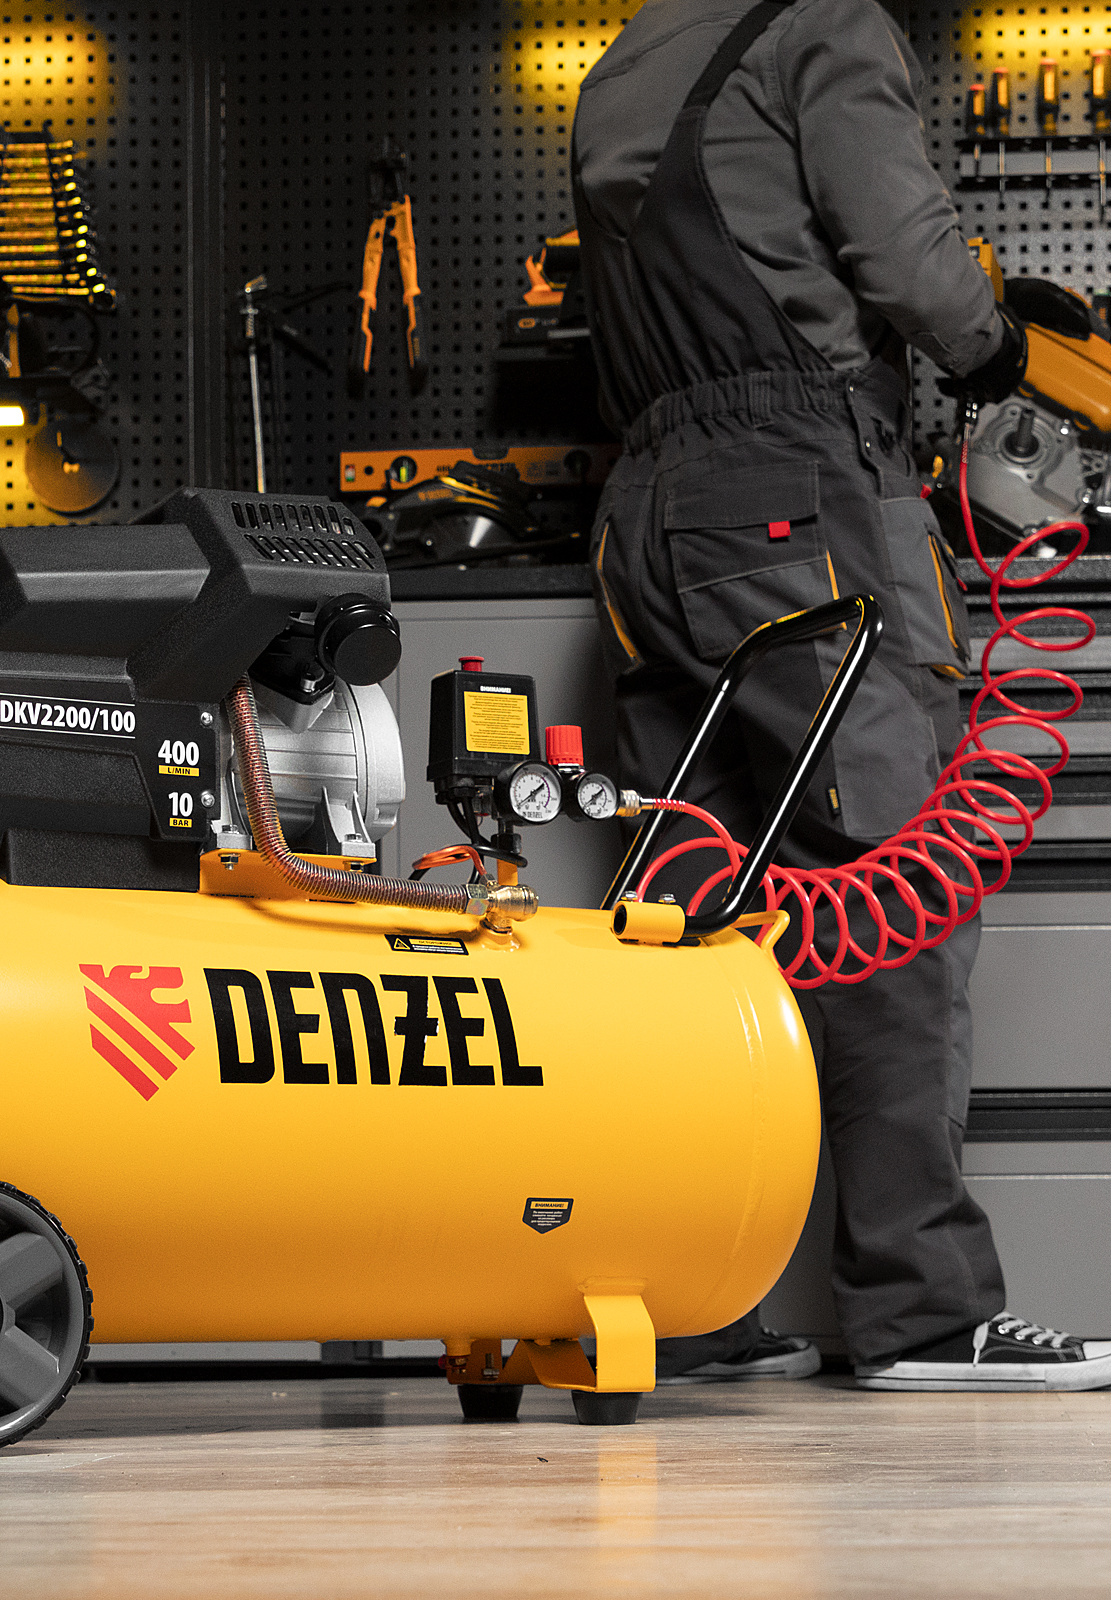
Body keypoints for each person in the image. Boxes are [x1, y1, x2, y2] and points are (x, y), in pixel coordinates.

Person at [571, 0, 1111, 1391]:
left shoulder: (625, 58)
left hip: (643, 514)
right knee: (892, 881)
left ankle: (686, 1300)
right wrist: (1000, 353)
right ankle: (922, 1313)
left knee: (691, 907)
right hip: (796, 495)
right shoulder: (823, 26)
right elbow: (910, 263)